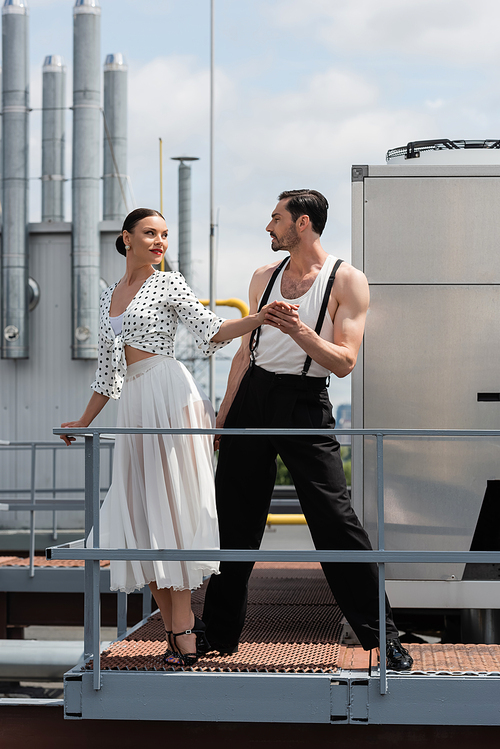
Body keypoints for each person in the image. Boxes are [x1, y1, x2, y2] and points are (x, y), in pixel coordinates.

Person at [202, 190, 413, 671]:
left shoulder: (347, 280)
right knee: (234, 522)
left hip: (304, 402)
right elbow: (243, 355)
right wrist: (223, 420)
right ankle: (217, 634)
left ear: (302, 224)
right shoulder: (263, 277)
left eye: (275, 218)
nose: (268, 226)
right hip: (252, 400)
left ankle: (383, 638)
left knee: (335, 522)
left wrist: (300, 332)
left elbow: (344, 363)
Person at [60, 207, 278, 667]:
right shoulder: (107, 298)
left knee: (171, 515)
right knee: (142, 518)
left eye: (164, 235)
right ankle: (180, 630)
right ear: (126, 239)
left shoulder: (169, 283)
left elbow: (212, 330)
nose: (159, 241)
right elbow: (108, 373)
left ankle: (181, 632)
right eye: (149, 233)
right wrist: (84, 421)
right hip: (134, 408)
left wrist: (260, 317)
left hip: (170, 396)